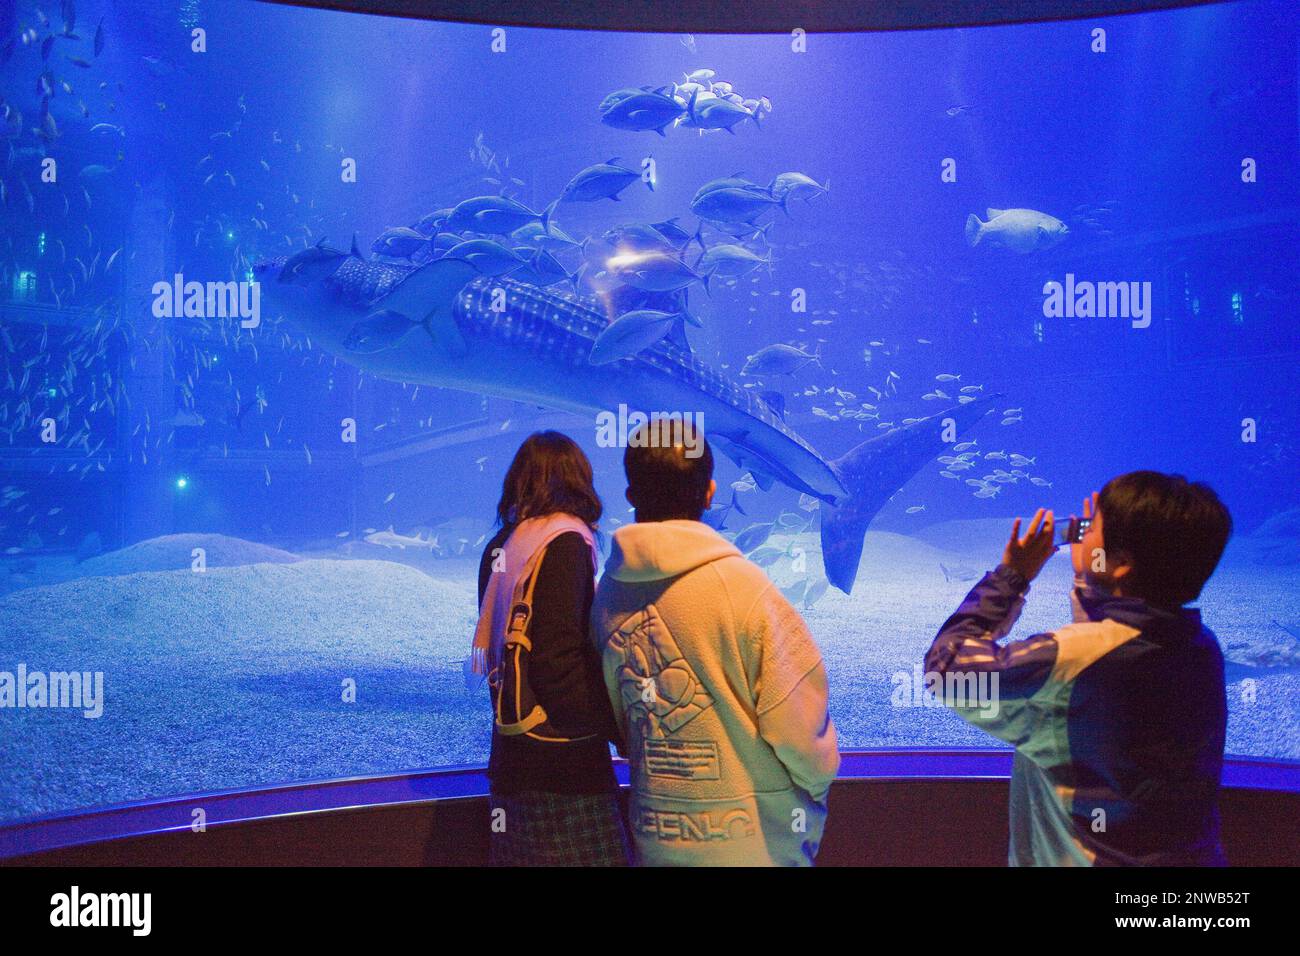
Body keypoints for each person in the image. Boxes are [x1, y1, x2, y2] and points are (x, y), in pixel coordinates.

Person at [924, 470, 1233, 866]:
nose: (1080, 534)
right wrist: (1093, 578)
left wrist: (1012, 576)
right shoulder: (1200, 647)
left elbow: (946, 671)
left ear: (1121, 563)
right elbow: (1110, 650)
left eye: (1092, 530)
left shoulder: (1072, 659)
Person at [591, 419, 840, 866]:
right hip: (755, 843)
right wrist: (812, 792)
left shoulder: (605, 595)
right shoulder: (745, 589)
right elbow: (803, 741)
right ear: (709, 492)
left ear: (630, 496)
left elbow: (621, 720)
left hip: (656, 834)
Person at [471, 431, 629, 866]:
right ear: (577, 481)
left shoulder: (500, 546)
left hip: (512, 757)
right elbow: (557, 661)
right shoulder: (564, 542)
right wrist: (616, 730)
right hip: (563, 767)